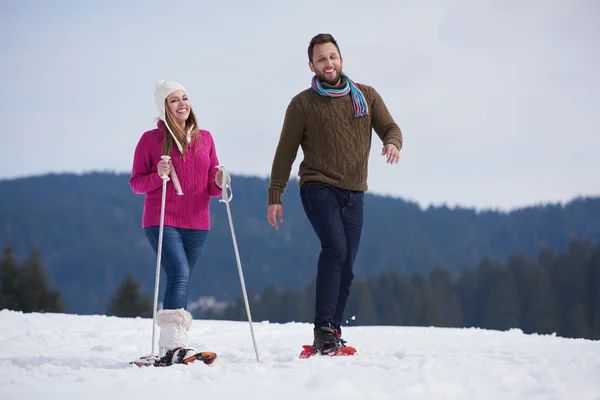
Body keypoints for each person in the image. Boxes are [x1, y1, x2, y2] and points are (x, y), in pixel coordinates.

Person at [267, 33, 403, 354]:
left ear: (341, 59)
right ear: (311, 66)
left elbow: (390, 127)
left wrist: (392, 142)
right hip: (318, 186)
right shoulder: (302, 104)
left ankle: (334, 331)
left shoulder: (365, 96)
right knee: (335, 249)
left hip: (354, 192)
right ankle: (323, 329)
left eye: (332, 57)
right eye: (321, 59)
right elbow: (285, 152)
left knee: (348, 263)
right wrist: (275, 194)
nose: (328, 64)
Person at [130, 80, 225, 364]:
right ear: (164, 106)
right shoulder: (150, 140)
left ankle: (172, 346)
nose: (182, 103)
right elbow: (136, 183)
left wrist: (220, 181)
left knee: (180, 278)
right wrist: (156, 174)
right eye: (174, 100)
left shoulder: (205, 138)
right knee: (180, 272)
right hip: (162, 217)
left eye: (185, 98)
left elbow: (212, 186)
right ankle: (173, 346)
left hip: (198, 221)